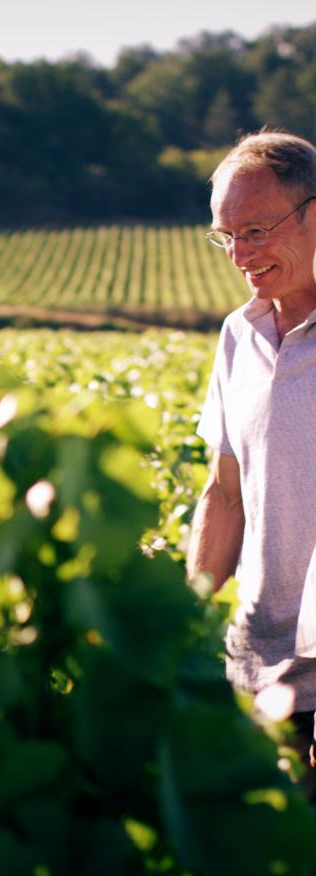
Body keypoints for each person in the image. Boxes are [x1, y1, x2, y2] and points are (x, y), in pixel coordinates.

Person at [187, 130, 316, 783]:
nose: (240, 253)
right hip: (252, 667)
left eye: (257, 229)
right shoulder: (238, 334)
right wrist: (185, 623)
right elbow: (225, 492)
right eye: (226, 235)